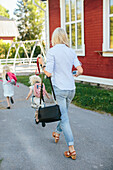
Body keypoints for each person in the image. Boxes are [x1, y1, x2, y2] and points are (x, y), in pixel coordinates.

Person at [38, 27, 83, 160]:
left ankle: (71, 149)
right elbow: (80, 70)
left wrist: (42, 64)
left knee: (64, 118)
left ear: (54, 38)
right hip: (71, 89)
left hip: (60, 89)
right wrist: (73, 74)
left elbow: (48, 73)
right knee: (63, 114)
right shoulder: (71, 51)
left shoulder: (52, 51)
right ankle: (57, 133)